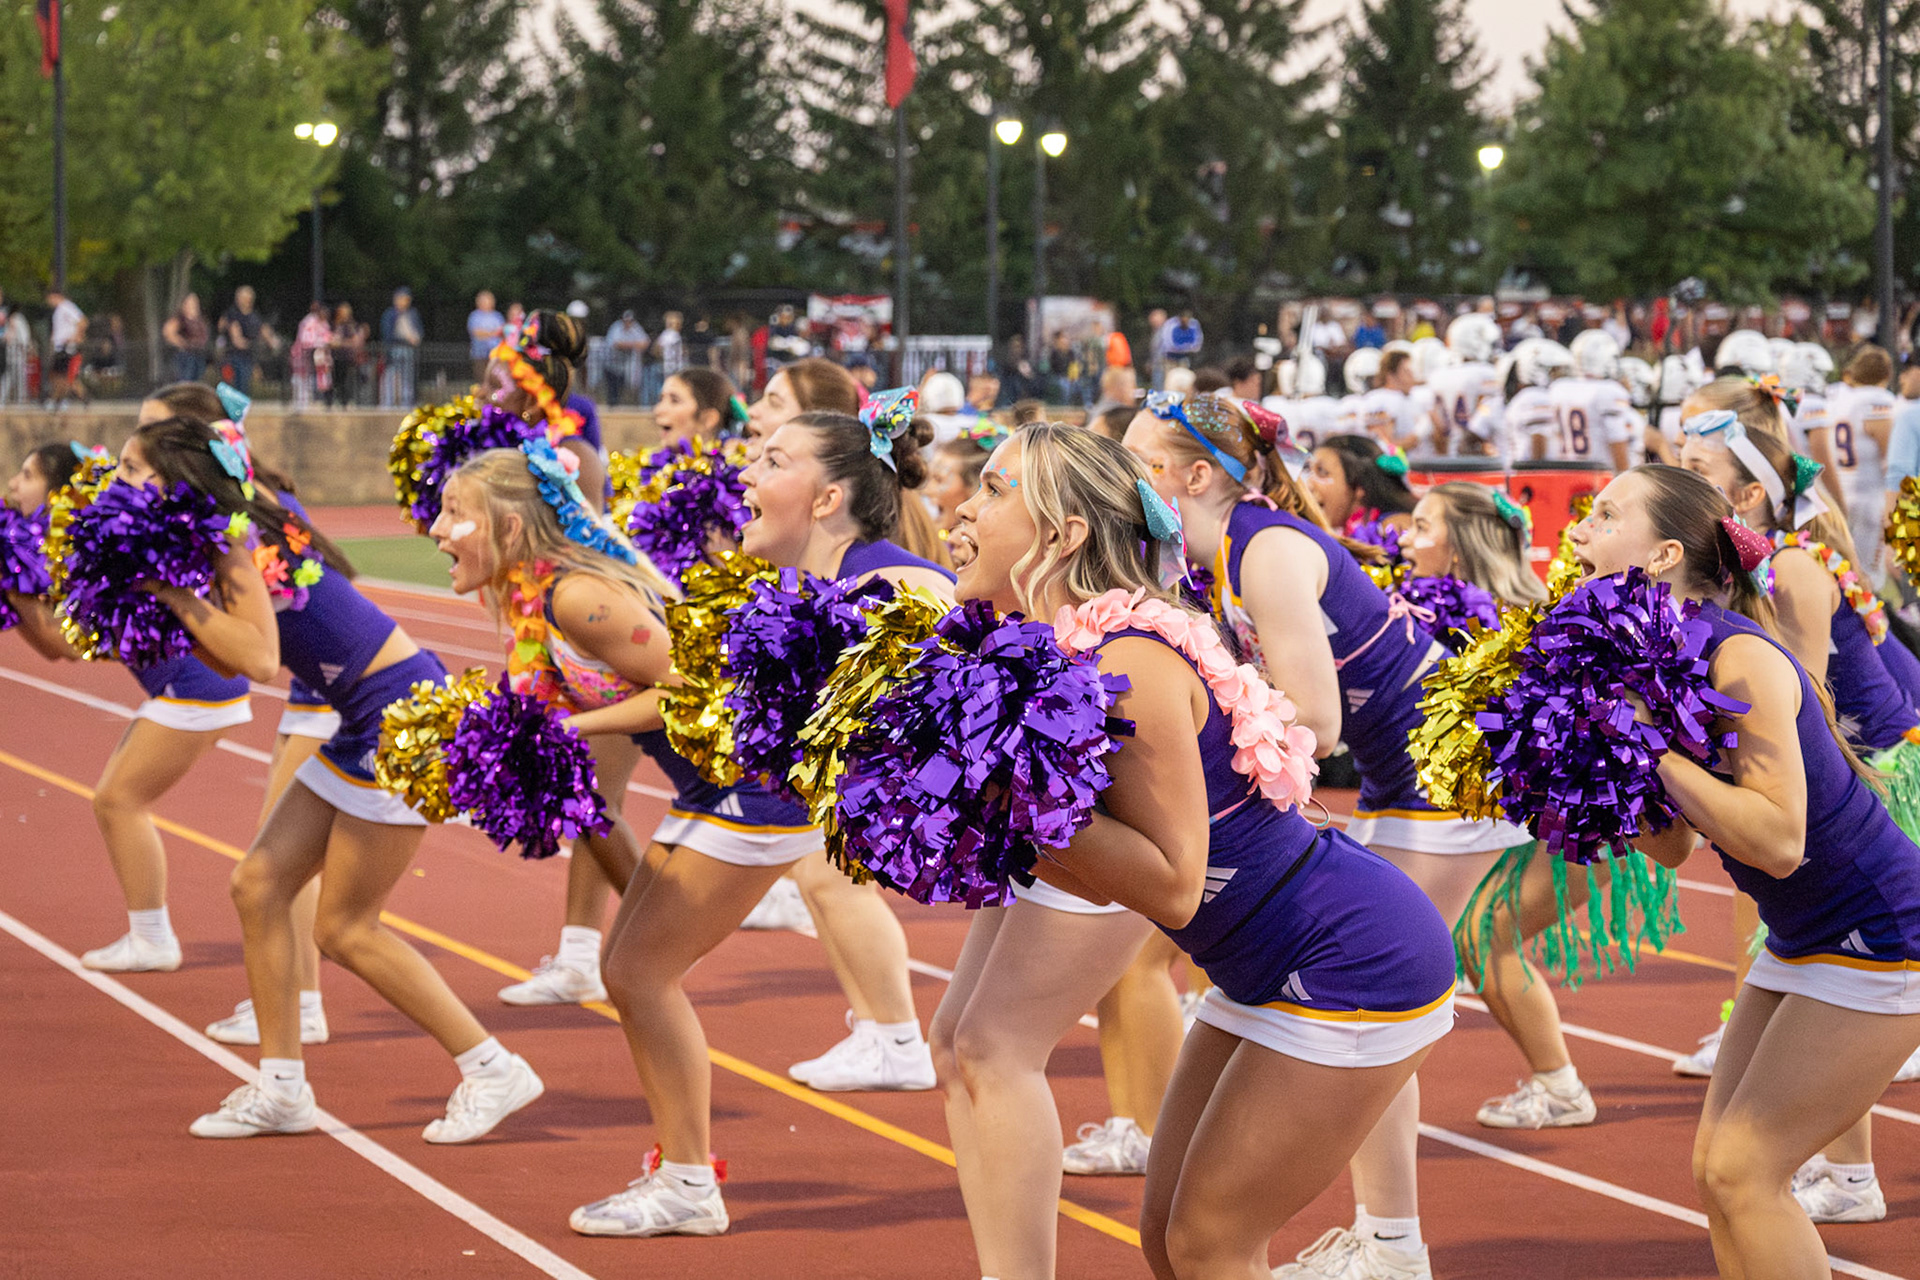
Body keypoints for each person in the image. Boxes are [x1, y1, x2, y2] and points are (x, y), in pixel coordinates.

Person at [940, 421, 1454, 1280]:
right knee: (1168, 1242)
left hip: (1350, 956)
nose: (961, 507)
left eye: (993, 490)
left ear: (1064, 535)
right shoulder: (1057, 651)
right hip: (1266, 958)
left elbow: (1173, 889)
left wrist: (1001, 789)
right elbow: (1105, 878)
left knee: (1209, 1244)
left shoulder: (1128, 658)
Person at [1126, 392, 1531, 1280]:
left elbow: (1319, 716)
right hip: (1406, 763)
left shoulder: (1265, 549)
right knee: (1365, 1000)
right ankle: (1391, 1237)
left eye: (1138, 457)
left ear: (1196, 476)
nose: (1123, 474)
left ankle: (1392, 1243)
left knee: (1372, 999)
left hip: (1442, 762)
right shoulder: (1216, 555)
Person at [558, 406, 955, 1239]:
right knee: (629, 968)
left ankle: (691, 1179)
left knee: (637, 973)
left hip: (771, 807)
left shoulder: (892, 583)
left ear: (827, 497)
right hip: (747, 797)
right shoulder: (790, 587)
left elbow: (980, 679)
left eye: (773, 460)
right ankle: (684, 1172)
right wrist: (571, 725)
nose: (747, 474)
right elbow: (701, 702)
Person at [102, 413, 543, 1144]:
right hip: (360, 716)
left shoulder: (229, 536)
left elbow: (255, 659)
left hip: (398, 719)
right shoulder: (205, 537)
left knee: (344, 927)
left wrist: (175, 599)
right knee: (259, 885)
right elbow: (233, 655)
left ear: (175, 479)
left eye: (129, 469)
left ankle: (493, 1068)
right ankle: (282, 1089)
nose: (116, 483)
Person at [1568, 464, 1920, 1278]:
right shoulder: (1652, 658)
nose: (1581, 531)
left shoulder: (1738, 658)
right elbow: (1673, 847)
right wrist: (1592, 774)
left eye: (1604, 513)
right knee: (1718, 1173)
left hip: (1878, 930)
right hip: (1805, 932)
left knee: (1744, 1171)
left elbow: (1779, 839)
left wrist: (1646, 741)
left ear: (1660, 557)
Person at [1824, 345, 1897, 581]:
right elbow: (1890, 454)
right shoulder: (1879, 400)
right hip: (1871, 497)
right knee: (1869, 579)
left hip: (1838, 494)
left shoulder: (1839, 398)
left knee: (1844, 573)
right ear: (1886, 374)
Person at [1305, 434, 1417, 536]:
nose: (1308, 485)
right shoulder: (1346, 533)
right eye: (1309, 471)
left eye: (1322, 472)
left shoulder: (1394, 530)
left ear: (1359, 486)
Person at [652, 367, 746, 452]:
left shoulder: (737, 468)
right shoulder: (648, 466)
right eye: (661, 399)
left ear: (709, 419)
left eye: (675, 401)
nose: (658, 410)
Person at [45, 287, 89, 409]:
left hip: (67, 348)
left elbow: (82, 321)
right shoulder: (59, 310)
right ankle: (59, 399)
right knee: (57, 375)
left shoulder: (66, 307)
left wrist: (75, 337)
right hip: (60, 347)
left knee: (65, 376)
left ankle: (61, 400)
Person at [219, 287, 266, 397]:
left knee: (244, 387)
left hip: (249, 356)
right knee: (236, 385)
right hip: (234, 355)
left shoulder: (254, 316)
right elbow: (236, 338)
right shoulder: (232, 314)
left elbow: (262, 330)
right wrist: (249, 344)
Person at [380, 286, 423, 407]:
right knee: (391, 375)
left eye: (407, 299)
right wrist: (405, 338)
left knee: (407, 376)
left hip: (409, 349)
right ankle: (388, 402)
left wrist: (416, 337)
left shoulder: (412, 314)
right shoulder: (390, 314)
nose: (405, 302)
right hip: (395, 348)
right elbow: (387, 333)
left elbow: (419, 329)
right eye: (402, 298)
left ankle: (406, 401)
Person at [291, 303, 332, 410]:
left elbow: (327, 336)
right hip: (304, 356)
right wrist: (322, 342)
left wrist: (328, 341)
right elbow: (305, 340)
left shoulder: (323, 323)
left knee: (315, 380)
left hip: (317, 357)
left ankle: (313, 403)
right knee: (302, 381)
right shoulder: (309, 321)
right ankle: (301, 406)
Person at [163, 292, 211, 384]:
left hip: (200, 354)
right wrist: (183, 343)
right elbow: (168, 332)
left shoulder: (200, 319)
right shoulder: (180, 318)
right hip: (186, 356)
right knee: (185, 382)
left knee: (197, 382)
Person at [605, 310, 649, 406]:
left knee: (624, 386)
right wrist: (634, 345)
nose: (628, 323)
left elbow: (645, 342)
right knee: (612, 387)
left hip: (625, 366)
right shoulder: (616, 327)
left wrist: (628, 345)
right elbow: (616, 344)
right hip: (612, 363)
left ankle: (622, 404)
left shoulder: (636, 328)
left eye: (630, 321)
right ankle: (612, 406)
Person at [327, 303, 366, 408]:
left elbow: (355, 340)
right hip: (336, 357)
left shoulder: (352, 326)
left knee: (348, 381)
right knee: (336, 380)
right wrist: (342, 342)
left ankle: (348, 401)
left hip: (349, 357)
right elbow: (331, 341)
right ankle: (336, 400)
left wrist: (341, 342)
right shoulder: (333, 325)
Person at [466, 291, 504, 387]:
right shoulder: (474, 316)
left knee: (497, 381)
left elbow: (503, 332)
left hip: (496, 356)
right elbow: (477, 333)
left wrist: (489, 333)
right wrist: (493, 333)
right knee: (482, 382)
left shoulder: (498, 316)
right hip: (480, 355)